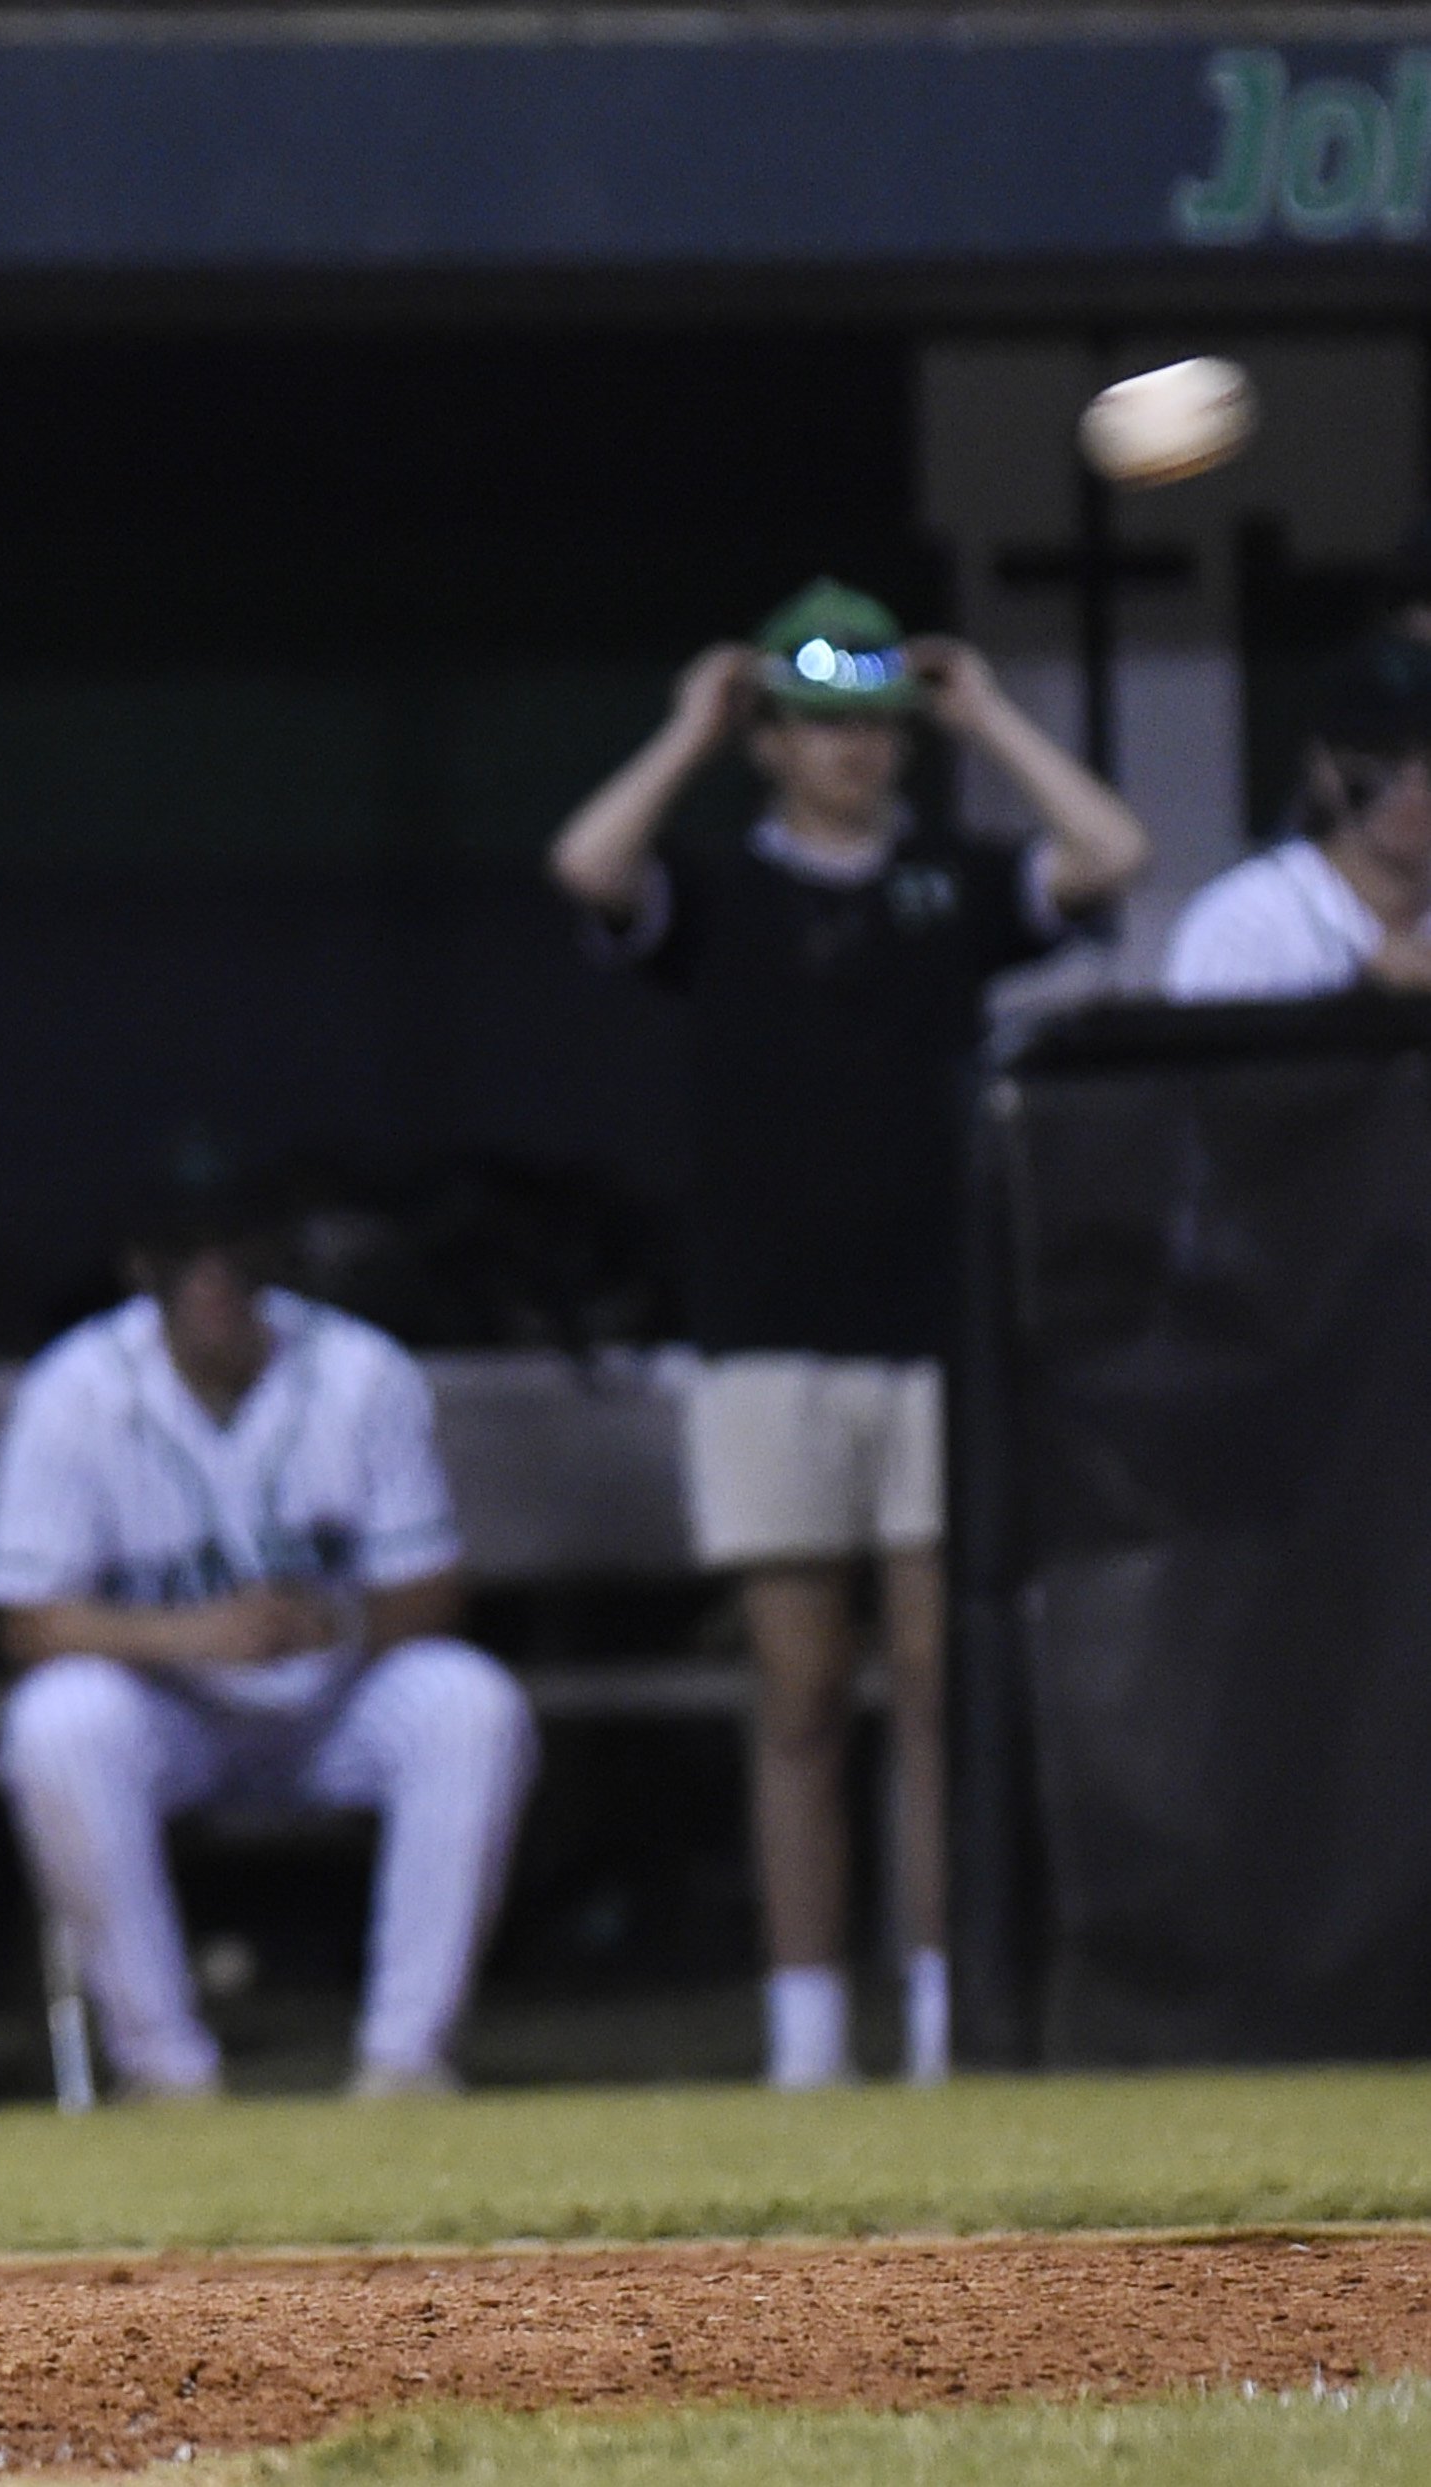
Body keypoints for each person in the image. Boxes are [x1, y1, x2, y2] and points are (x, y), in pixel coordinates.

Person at [546, 579, 1150, 2090]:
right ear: (774, 736)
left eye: (873, 725)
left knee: (942, 1689)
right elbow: (589, 861)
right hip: (767, 1340)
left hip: (935, 1338)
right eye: (820, 723)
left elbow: (1111, 855)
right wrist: (691, 725)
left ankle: (946, 2015)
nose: (852, 752)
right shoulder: (721, 892)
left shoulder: (944, 883)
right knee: (803, 1693)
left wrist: (988, 713)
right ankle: (805, 2030)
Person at [0, 1178, 531, 2102]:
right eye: (185, 1253)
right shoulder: (77, 1384)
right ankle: (165, 2072)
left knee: (470, 1701)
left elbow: (430, 1587)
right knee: (58, 1719)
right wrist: (194, 1633)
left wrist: (336, 1620)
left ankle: (407, 2062)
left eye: (233, 1251)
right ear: (139, 1266)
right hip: (172, 1710)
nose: (211, 1278)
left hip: (338, 1700)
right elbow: (29, 1619)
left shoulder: (360, 1370)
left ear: (278, 1257)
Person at [1164, 635, 1431, 1002]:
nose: (1412, 786)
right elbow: (1206, 1058)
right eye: (1381, 752)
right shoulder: (1246, 921)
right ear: (1324, 767)